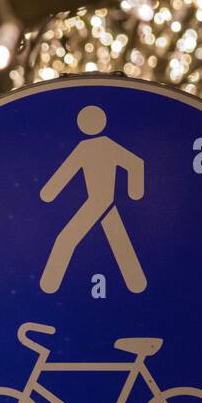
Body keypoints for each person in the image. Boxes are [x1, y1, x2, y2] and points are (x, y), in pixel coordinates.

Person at [38, 105, 147, 294]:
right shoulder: (88, 147)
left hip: (99, 201)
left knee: (65, 239)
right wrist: (49, 192)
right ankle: (136, 284)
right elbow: (66, 172)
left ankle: (49, 285)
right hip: (102, 201)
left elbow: (136, 164)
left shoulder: (103, 146)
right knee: (119, 239)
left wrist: (135, 192)